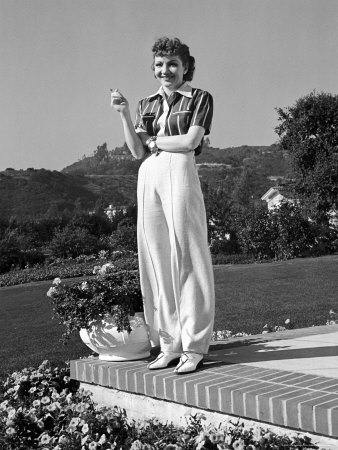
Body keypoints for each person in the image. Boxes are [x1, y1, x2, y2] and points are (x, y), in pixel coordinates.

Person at [110, 37, 214, 374]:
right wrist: (124, 114)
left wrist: (154, 140)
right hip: (149, 173)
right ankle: (170, 344)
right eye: (159, 64)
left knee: (188, 255)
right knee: (156, 259)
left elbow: (190, 142)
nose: (164, 70)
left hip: (180, 168)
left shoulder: (200, 98)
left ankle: (195, 345)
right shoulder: (146, 104)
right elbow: (137, 152)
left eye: (172, 64)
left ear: (186, 67)